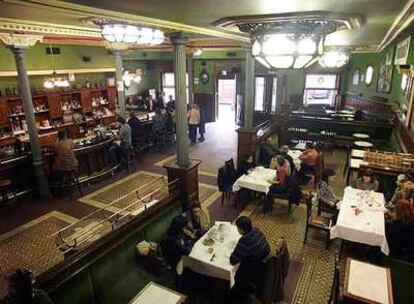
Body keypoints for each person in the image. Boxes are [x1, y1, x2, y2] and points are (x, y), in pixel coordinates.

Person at [230, 216, 270, 299]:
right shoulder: (256, 230)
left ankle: (241, 291)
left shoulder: (245, 240)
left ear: (241, 229)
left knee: (237, 272)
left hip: (254, 266)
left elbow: (233, 260)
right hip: (265, 260)